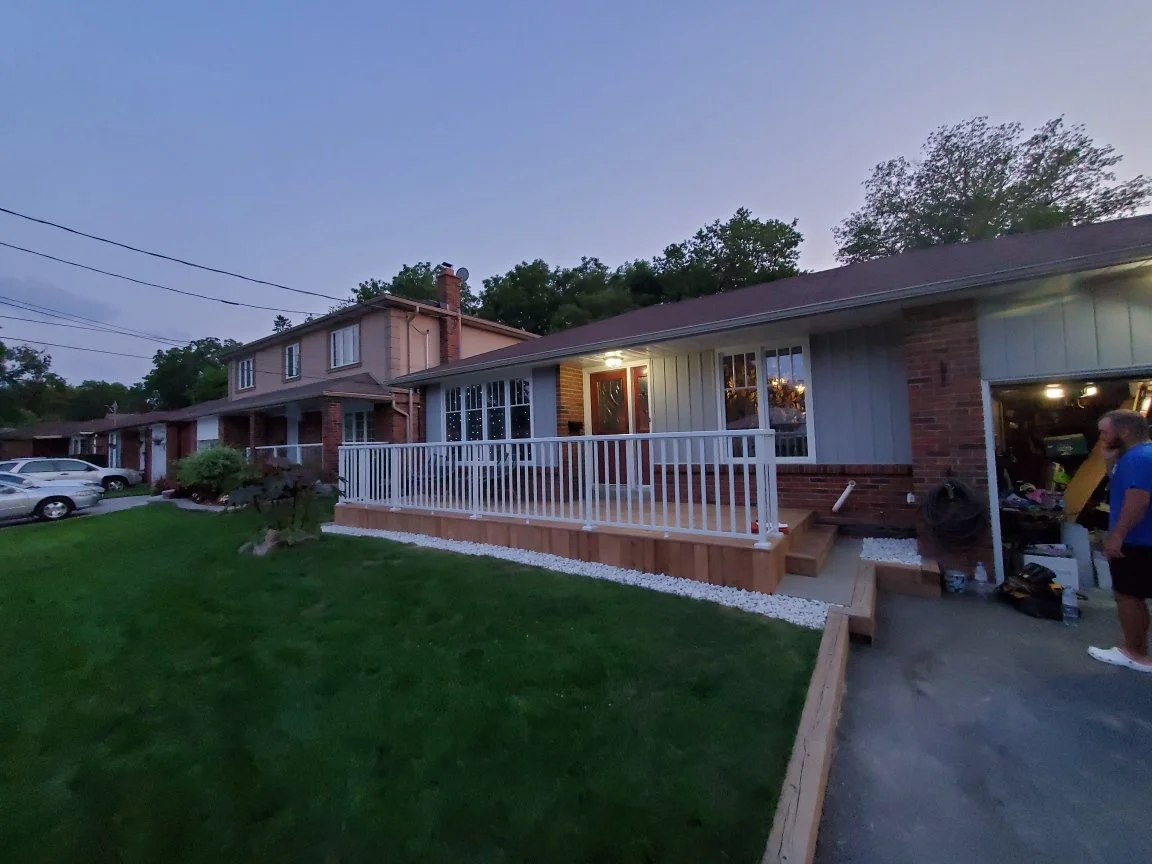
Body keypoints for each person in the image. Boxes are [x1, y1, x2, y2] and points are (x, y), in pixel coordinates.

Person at [1088, 408, 1152, 673]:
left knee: (1127, 596)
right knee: (1133, 597)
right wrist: (1109, 459)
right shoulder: (1135, 456)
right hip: (1141, 540)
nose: (1102, 437)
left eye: (1105, 432)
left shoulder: (1138, 458)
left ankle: (1135, 654)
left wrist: (1118, 536)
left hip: (1138, 541)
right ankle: (1137, 648)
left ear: (1124, 432)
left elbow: (1138, 500)